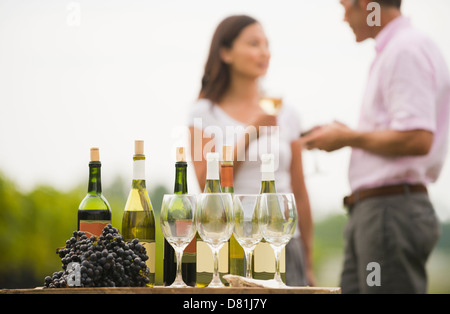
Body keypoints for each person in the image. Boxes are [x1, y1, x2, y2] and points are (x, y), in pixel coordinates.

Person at [300, 0, 450, 293]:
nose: (344, 17)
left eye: (346, 6)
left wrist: (347, 138)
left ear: (367, 5)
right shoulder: (401, 48)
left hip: (387, 214)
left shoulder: (405, 50)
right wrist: (348, 134)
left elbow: (417, 138)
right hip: (379, 214)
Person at [187, 15, 315, 286]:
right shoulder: (203, 113)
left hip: (283, 243)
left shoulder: (286, 113)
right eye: (254, 43)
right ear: (225, 52)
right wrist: (251, 131)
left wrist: (309, 261)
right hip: (232, 242)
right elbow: (205, 183)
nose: (264, 52)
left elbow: (299, 191)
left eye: (266, 45)